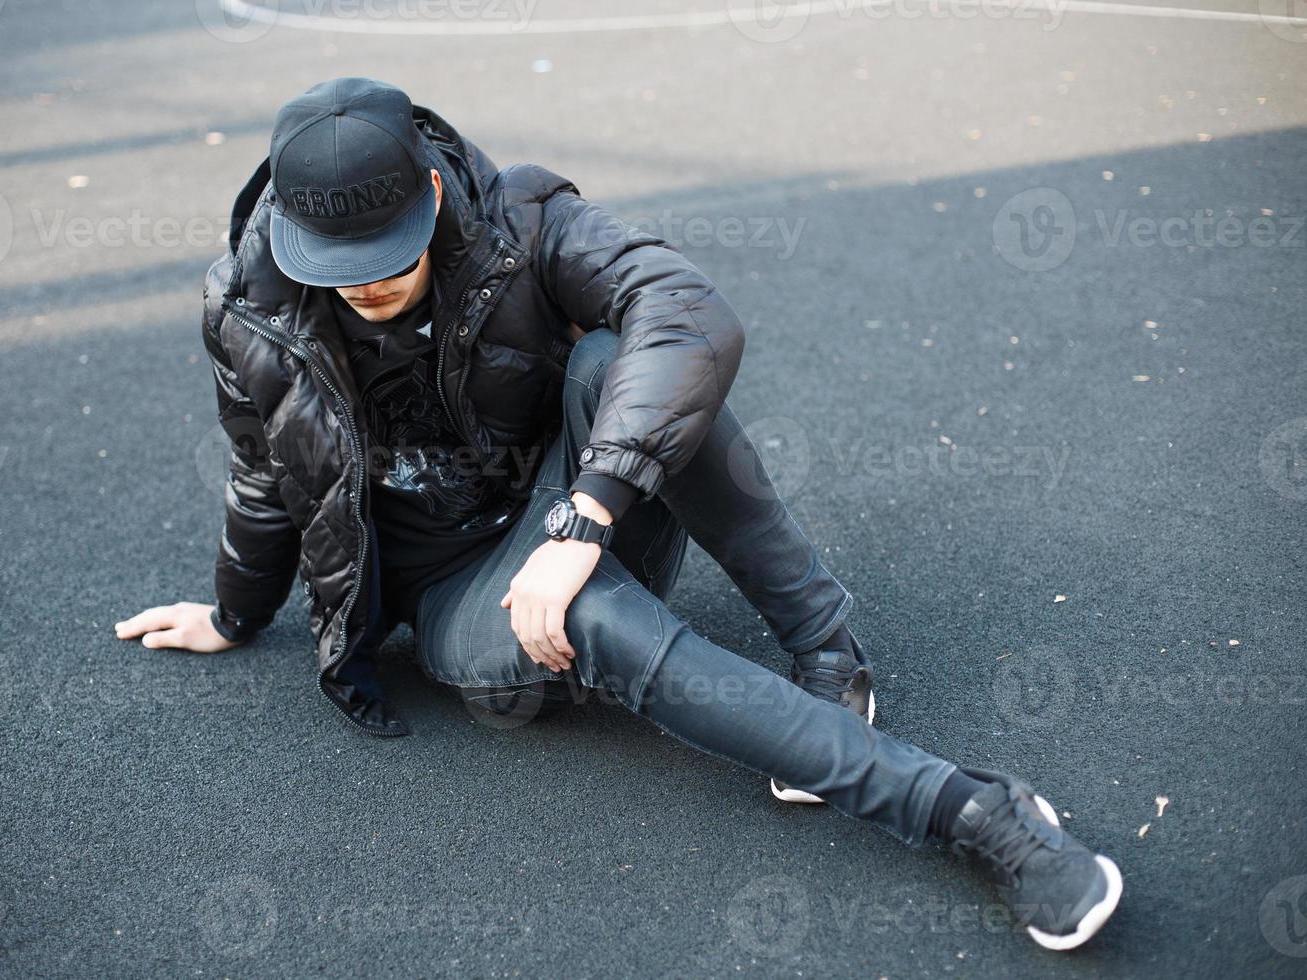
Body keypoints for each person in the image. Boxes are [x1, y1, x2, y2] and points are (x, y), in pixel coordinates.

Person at [114, 76, 1122, 951]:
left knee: (631, 364)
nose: (366, 280)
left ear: (430, 192)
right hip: (456, 593)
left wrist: (586, 516)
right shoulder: (247, 306)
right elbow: (261, 473)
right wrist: (236, 612)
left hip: (564, 498)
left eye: (387, 250)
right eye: (338, 260)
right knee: (585, 610)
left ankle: (828, 649)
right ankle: (968, 809)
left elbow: (688, 309)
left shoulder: (525, 220)